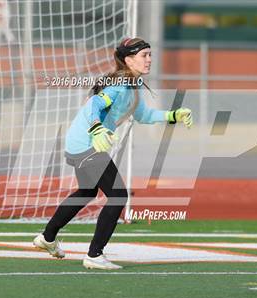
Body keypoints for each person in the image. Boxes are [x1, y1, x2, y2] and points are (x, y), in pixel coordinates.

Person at [33, 38, 193, 269]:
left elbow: (143, 115)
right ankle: (94, 255)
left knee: (87, 191)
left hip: (81, 142)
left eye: (150, 54)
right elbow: (93, 105)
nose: (149, 60)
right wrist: (97, 128)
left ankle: (47, 238)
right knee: (118, 195)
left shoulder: (131, 83)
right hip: (88, 143)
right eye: (144, 55)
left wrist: (172, 116)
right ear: (129, 60)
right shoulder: (121, 83)